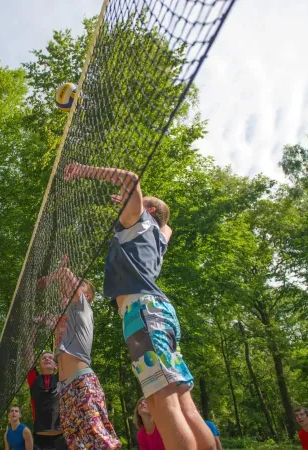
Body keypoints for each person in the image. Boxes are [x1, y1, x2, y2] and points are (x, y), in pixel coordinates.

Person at [63, 162, 214, 450]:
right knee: (183, 399)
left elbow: (131, 179)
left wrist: (82, 169)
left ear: (150, 211)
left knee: (160, 400)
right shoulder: (158, 236)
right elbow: (167, 224)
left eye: (139, 203)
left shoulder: (139, 221)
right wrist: (139, 205)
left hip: (142, 311)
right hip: (159, 311)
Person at [38, 255, 120, 449]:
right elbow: (62, 297)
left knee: (98, 436)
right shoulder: (65, 318)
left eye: (81, 283)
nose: (75, 282)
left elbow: (67, 279)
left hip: (82, 382)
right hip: (65, 388)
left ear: (88, 296)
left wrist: (56, 274)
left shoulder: (84, 308)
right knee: (76, 442)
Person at [26, 352, 67, 450]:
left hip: (60, 436)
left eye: (50, 358)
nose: (47, 359)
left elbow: (64, 357)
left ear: (56, 365)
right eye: (43, 358)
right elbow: (28, 354)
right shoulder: (34, 380)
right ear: (39, 364)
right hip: (40, 437)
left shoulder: (61, 378)